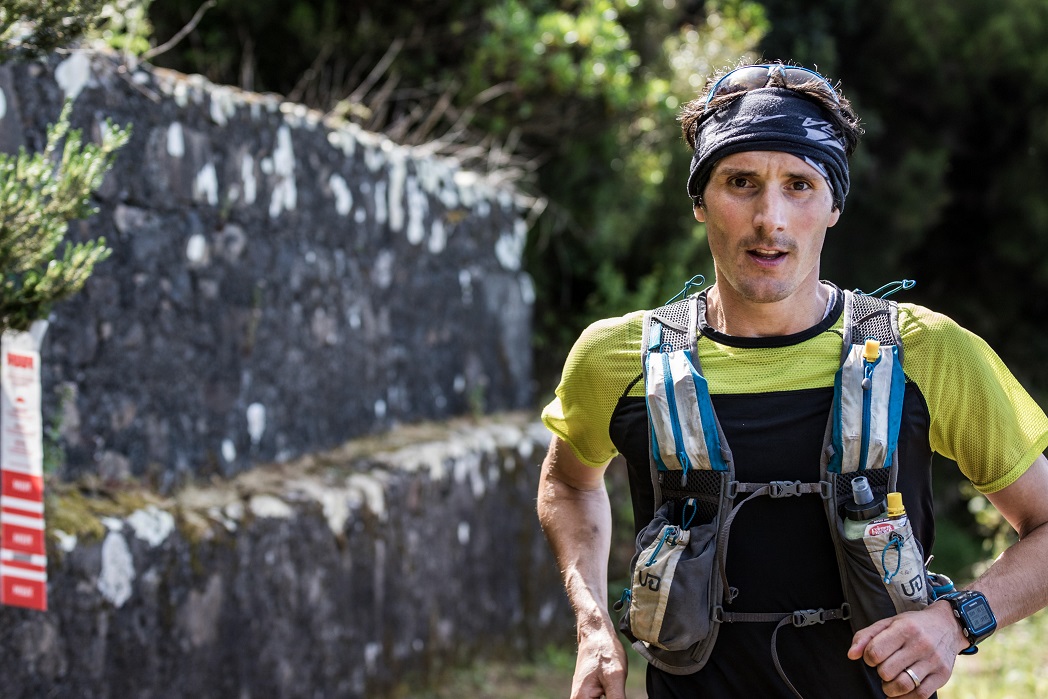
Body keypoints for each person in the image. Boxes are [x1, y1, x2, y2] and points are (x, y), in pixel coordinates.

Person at [536, 61, 1048, 699]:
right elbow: (568, 481)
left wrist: (956, 621)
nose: (769, 218)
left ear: (835, 205)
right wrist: (591, 626)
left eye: (800, 185)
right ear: (700, 201)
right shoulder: (617, 357)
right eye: (740, 182)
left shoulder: (926, 351)